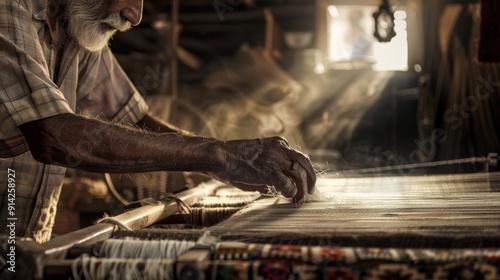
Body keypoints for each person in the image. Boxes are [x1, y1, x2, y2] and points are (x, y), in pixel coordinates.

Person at [0, 0, 316, 243]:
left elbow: (132, 115)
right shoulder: (8, 9)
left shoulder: (70, 27)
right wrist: (219, 155)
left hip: (24, 249)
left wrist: (218, 163)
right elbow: (52, 134)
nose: (135, 15)